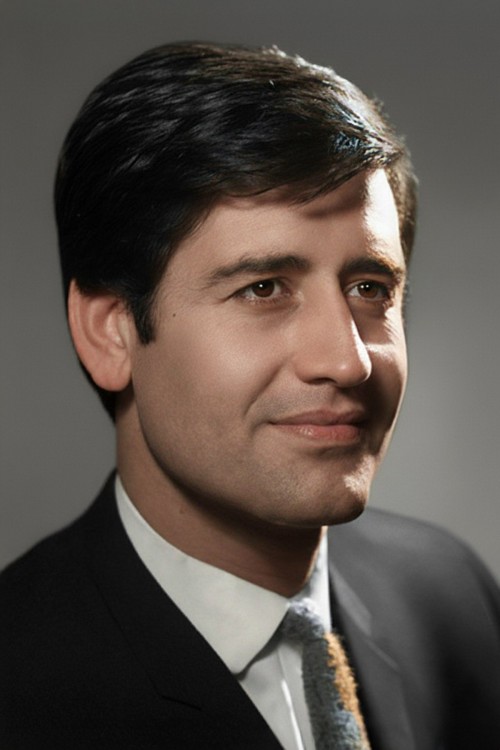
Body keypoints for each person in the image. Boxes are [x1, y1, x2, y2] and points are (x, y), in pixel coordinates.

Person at [1, 41, 499, 750]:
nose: (348, 361)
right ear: (110, 332)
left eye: (370, 288)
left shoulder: (451, 599)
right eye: (263, 288)